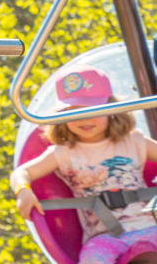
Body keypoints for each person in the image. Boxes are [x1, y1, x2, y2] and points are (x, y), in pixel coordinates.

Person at [11, 67, 157, 263]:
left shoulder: (133, 141)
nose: (84, 119)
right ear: (60, 116)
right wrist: (23, 190)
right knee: (91, 259)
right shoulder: (62, 153)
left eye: (93, 110)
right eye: (73, 111)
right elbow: (22, 172)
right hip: (105, 238)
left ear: (111, 108)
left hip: (149, 228)